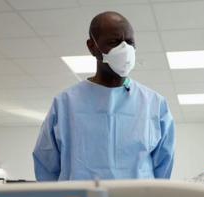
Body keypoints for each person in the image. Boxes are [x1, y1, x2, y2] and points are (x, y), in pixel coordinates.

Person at [32, 11, 175, 181]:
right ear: (92, 46)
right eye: (114, 42)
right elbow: (47, 167)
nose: (125, 49)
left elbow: (163, 169)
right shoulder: (65, 104)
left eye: (129, 42)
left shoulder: (154, 104)